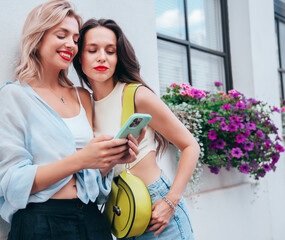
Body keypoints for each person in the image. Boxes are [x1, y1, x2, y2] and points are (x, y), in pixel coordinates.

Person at [0, 2, 142, 239]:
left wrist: (112, 159)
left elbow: (89, 177)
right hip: (41, 222)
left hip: (90, 218)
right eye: (61, 35)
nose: (71, 45)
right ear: (38, 38)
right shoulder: (15, 96)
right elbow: (11, 182)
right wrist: (80, 159)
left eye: (75, 39)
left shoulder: (83, 97)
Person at [73, 18, 200, 240]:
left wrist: (171, 201)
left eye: (110, 51)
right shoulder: (85, 105)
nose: (102, 57)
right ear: (79, 57)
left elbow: (190, 145)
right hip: (121, 213)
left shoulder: (135, 95)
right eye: (92, 50)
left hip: (157, 209)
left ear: (118, 57)